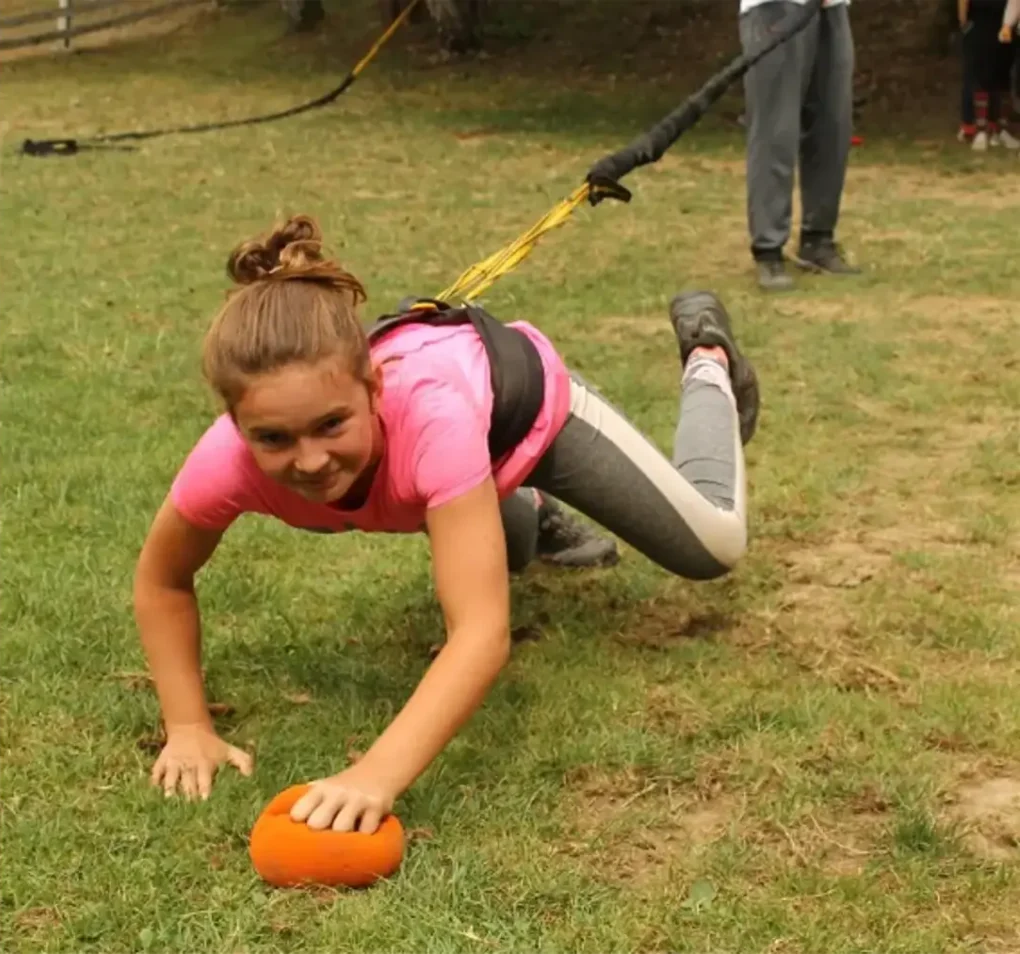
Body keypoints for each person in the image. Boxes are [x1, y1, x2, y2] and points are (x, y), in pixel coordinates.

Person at [133, 214, 759, 833]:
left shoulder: (432, 420)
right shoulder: (225, 463)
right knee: (499, 550)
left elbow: (481, 632)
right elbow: (162, 581)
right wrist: (187, 726)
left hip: (528, 415)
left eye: (332, 424)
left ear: (375, 390)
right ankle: (529, 515)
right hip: (456, 470)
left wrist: (375, 776)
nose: (311, 459)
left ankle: (708, 361)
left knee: (713, 546)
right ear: (236, 426)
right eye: (273, 437)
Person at [739, 0, 860, 291]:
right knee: (775, 131)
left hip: (832, 8)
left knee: (832, 126)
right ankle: (768, 249)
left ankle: (817, 239)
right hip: (774, 9)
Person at [960, 0, 1020, 150]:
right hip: (980, 22)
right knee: (981, 76)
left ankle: (1000, 129)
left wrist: (1009, 23)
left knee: (1003, 77)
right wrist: (964, 22)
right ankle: (981, 130)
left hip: (1006, 21)